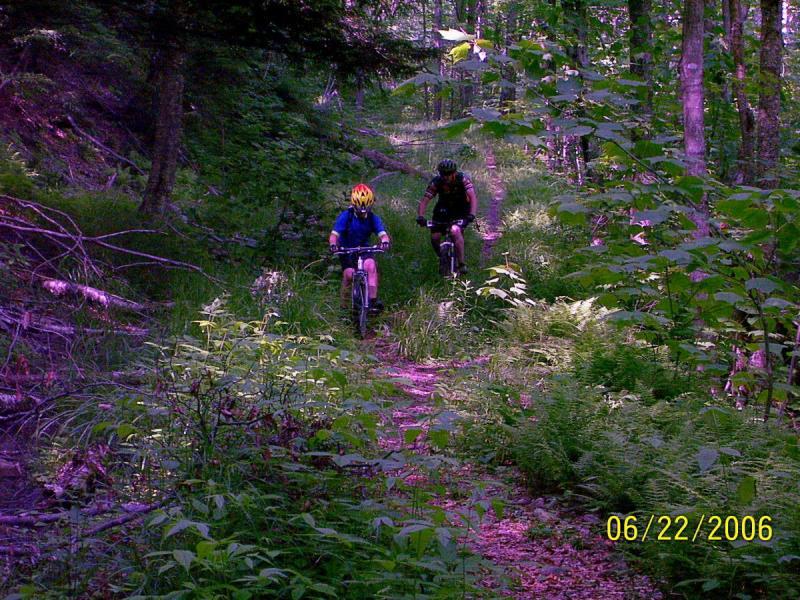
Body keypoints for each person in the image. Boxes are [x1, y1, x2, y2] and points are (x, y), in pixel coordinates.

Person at [329, 183, 390, 312]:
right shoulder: (346, 216)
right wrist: (333, 245)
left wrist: (385, 242)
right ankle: (343, 307)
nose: (363, 212)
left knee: (371, 266)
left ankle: (373, 301)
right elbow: (334, 235)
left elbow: (383, 234)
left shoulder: (373, 218)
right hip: (347, 250)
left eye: (366, 208)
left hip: (364, 249)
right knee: (348, 275)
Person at [415, 159, 478, 274]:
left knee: (455, 230)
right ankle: (442, 257)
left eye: (448, 174)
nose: (446, 177)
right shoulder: (437, 182)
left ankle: (461, 264)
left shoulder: (462, 179)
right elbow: (425, 200)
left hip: (461, 208)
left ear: (454, 173)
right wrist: (421, 216)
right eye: (443, 174)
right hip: (443, 209)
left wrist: (472, 214)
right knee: (435, 237)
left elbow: (472, 197)